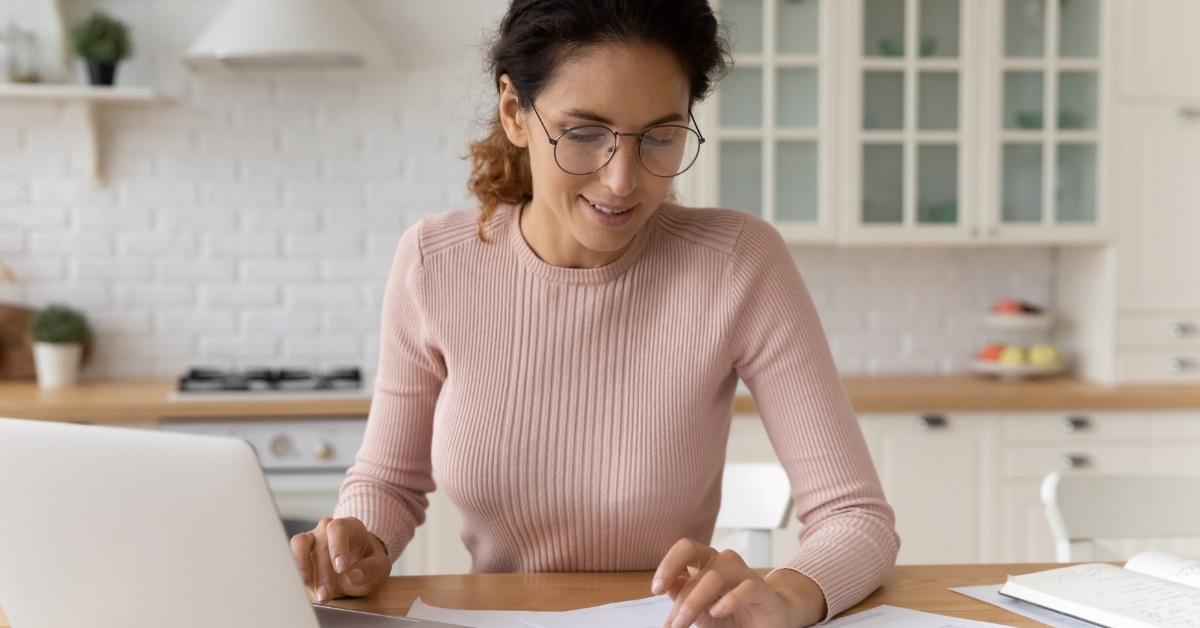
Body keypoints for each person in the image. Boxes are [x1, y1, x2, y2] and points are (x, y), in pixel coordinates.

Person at [290, 1, 900, 626]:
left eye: (661, 137)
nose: (621, 181)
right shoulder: (434, 262)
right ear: (514, 113)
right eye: (584, 134)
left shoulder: (738, 262)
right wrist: (360, 543)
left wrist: (793, 594)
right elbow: (390, 483)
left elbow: (856, 517)